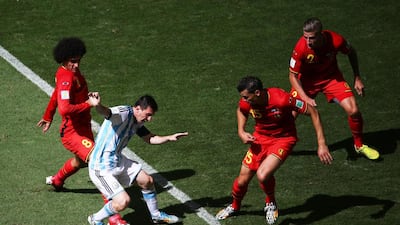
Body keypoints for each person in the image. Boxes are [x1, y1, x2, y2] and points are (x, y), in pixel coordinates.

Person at [36, 37, 128, 225]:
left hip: (83, 128)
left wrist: (48, 116)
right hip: (72, 133)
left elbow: (56, 96)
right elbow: (65, 108)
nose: (76, 65)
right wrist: (87, 104)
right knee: (99, 161)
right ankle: (113, 217)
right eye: (73, 61)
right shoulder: (66, 77)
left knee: (82, 160)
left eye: (79, 60)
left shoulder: (67, 72)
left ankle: (57, 180)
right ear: (63, 59)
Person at [216, 76, 332, 224]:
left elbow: (313, 112)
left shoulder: (282, 99)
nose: (244, 100)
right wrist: (241, 131)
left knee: (263, 175)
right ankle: (235, 206)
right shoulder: (247, 102)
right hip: (260, 139)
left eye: (246, 97)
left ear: (257, 93)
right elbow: (241, 111)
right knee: (241, 181)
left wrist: (321, 144)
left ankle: (270, 203)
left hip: (283, 140)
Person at [86, 93, 188, 225]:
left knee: (147, 180)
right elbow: (106, 112)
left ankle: (156, 216)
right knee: (123, 202)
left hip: (117, 160)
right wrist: (98, 105)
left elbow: (149, 138)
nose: (149, 119)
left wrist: (169, 137)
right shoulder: (123, 113)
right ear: (138, 108)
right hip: (100, 167)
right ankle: (95, 219)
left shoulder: (137, 121)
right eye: (148, 114)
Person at [288, 17, 379, 160]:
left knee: (353, 110)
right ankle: (271, 146)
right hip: (306, 83)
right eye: (305, 37)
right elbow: (292, 76)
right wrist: (305, 98)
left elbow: (351, 52)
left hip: (331, 79)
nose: (307, 42)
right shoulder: (300, 48)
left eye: (311, 38)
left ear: (320, 34)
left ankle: (359, 145)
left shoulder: (336, 40)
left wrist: (357, 77)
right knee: (288, 117)